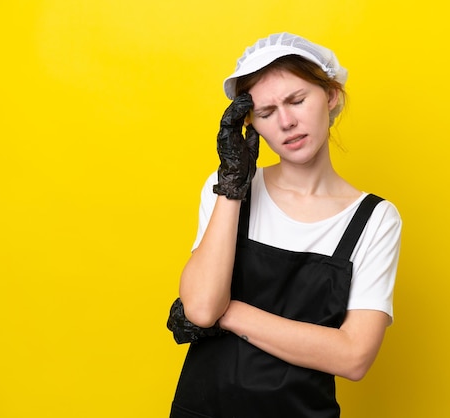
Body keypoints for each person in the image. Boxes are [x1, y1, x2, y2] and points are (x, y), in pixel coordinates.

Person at [167, 32, 402, 418]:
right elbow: (204, 310)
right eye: (266, 112)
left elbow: (354, 357)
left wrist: (232, 311)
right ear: (251, 124)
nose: (287, 122)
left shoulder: (375, 219)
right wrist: (232, 188)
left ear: (331, 96)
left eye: (297, 100)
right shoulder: (228, 189)